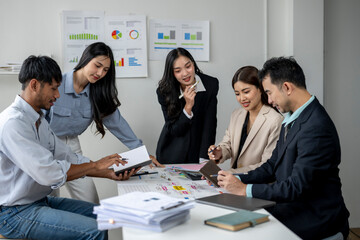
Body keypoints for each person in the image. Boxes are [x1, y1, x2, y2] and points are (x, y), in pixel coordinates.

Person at [0, 55, 136, 239]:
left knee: (101, 214)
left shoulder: (39, 120)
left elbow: (67, 155)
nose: (57, 95)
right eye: (54, 89)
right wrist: (96, 166)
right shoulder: (13, 124)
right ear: (34, 85)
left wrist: (107, 172)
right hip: (13, 213)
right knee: (94, 231)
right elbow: (49, 173)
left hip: (39, 201)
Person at [215, 57, 349, 239]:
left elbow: (296, 186)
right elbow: (271, 166)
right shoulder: (292, 118)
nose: (268, 101)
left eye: (269, 93)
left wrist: (244, 189)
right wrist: (234, 178)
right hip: (292, 210)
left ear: (286, 87)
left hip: (316, 220)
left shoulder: (316, 127)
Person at [46, 42, 161, 204]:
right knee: (49, 199)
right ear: (86, 59)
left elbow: (118, 124)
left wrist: (141, 152)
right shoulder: (57, 84)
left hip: (71, 145)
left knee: (90, 200)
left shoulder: (98, 93)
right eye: (97, 65)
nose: (100, 73)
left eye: (105, 70)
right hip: (45, 144)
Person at [208, 66, 283, 173]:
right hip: (233, 182)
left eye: (246, 92)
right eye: (237, 94)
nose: (242, 98)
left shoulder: (275, 120)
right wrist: (219, 152)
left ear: (260, 89)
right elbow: (228, 144)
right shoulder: (236, 114)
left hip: (257, 185)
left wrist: (231, 173)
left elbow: (268, 164)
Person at [156, 47, 218, 164]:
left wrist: (205, 158)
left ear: (193, 64)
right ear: (172, 73)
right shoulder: (164, 91)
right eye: (178, 71)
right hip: (171, 152)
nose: (185, 73)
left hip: (198, 152)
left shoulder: (210, 84)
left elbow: (210, 123)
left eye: (188, 66)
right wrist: (188, 107)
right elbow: (174, 130)